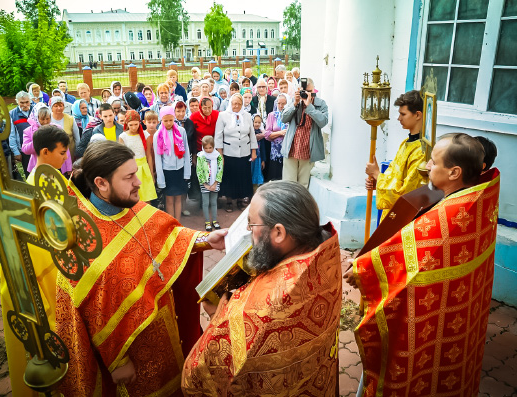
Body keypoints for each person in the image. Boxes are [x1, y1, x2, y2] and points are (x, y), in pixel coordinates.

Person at [58, 140, 227, 396]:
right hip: (132, 355)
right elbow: (82, 308)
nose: (138, 182)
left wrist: (206, 240)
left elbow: (172, 235)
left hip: (168, 328)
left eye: (135, 172)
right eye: (129, 177)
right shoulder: (78, 238)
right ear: (101, 183)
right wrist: (117, 361)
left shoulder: (132, 206)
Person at [346, 133, 499, 397]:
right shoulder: (479, 197)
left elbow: (406, 256)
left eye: (433, 161)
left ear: (454, 172)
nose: (427, 166)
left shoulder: (448, 216)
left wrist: (361, 270)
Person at [182, 180, 342, 395]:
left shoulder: (257, 312)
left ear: (279, 233)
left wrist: (218, 314)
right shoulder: (325, 254)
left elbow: (196, 377)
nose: (248, 231)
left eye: (252, 224)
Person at [2, 124, 70, 397]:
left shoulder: (55, 180)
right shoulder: (35, 190)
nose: (66, 157)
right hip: (43, 272)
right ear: (45, 152)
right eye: (63, 152)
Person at [365, 90, 426, 222]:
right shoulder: (406, 143)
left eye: (403, 114)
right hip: (392, 214)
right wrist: (378, 183)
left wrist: (376, 174)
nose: (399, 118)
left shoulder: (421, 152)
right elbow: (393, 175)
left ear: (418, 115)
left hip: (404, 218)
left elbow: (407, 192)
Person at [281, 77, 329, 188]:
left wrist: (309, 106)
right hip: (291, 147)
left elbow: (323, 121)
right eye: (304, 91)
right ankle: (289, 205)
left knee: (303, 186)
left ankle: (300, 206)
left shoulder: (320, 103)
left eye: (309, 91)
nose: (306, 94)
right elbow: (283, 118)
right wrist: (295, 104)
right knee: (288, 184)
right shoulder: (295, 101)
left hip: (308, 149)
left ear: (314, 90)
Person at [215, 93, 258, 212]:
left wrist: (253, 151)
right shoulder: (223, 115)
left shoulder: (247, 116)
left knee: (242, 177)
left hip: (244, 152)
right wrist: (220, 155)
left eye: (239, 104)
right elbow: (218, 136)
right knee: (230, 177)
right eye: (234, 103)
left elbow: (252, 135)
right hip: (229, 152)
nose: (237, 106)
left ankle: (239, 200)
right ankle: (229, 201)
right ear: (230, 103)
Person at [153, 106, 191, 220]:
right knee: (169, 199)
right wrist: (161, 178)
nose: (169, 123)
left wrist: (187, 173)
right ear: (161, 120)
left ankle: (178, 223)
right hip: (167, 172)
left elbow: (186, 152)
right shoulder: (158, 135)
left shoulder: (181, 131)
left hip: (180, 170)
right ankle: (172, 224)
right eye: (165, 120)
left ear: (174, 118)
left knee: (178, 198)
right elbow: (158, 158)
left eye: (171, 120)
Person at [22, 104, 73, 176]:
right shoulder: (29, 131)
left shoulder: (56, 128)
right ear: (37, 118)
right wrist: (39, 137)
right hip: (39, 167)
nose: (45, 122)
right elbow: (25, 150)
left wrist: (68, 167)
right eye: (42, 119)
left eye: (48, 119)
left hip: (56, 164)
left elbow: (65, 149)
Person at [118, 109, 157, 202]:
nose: (134, 127)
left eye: (136, 124)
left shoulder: (145, 134)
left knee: (147, 197)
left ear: (139, 123)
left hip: (144, 169)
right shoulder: (123, 137)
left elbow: (149, 156)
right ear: (126, 124)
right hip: (131, 170)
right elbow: (122, 158)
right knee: (133, 198)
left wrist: (151, 173)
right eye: (131, 125)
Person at [197, 135, 223, 231]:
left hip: (215, 183)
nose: (208, 150)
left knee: (213, 202)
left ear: (213, 146)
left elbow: (220, 169)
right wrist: (205, 185)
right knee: (205, 203)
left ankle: (215, 221)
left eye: (210, 148)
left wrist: (215, 183)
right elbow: (199, 170)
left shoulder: (218, 156)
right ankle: (207, 221)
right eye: (206, 148)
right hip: (205, 184)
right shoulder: (200, 156)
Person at [253, 78, 276, 180]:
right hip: (256, 132)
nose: (261, 89)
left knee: (267, 153)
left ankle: (267, 178)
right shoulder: (253, 100)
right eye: (259, 87)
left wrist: (267, 131)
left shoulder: (272, 99)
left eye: (263, 87)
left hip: (269, 131)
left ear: (267, 88)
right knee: (257, 156)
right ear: (256, 88)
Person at [9, 91, 33, 178]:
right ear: (17, 101)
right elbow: (11, 135)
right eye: (22, 102)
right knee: (29, 174)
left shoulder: (35, 110)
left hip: (37, 148)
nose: (25, 104)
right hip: (24, 149)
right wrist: (16, 152)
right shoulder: (12, 114)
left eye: (27, 102)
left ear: (30, 100)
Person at [265, 93, 289, 181]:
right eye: (279, 103)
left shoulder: (291, 115)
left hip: (288, 152)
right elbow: (267, 134)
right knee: (275, 178)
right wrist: (280, 133)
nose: (281, 106)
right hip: (275, 153)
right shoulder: (272, 115)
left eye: (283, 103)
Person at [49, 96, 79, 161]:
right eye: (56, 106)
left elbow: (77, 138)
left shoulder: (70, 119)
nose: (59, 108)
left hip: (69, 154)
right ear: (51, 108)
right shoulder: (47, 119)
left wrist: (77, 153)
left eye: (61, 105)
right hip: (52, 154)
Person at [251, 114, 266, 190]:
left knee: (256, 175)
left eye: (259, 122)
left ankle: (254, 193)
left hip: (258, 158)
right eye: (255, 122)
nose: (257, 124)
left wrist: (263, 160)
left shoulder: (261, 134)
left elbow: (263, 148)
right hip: (250, 158)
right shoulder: (249, 133)